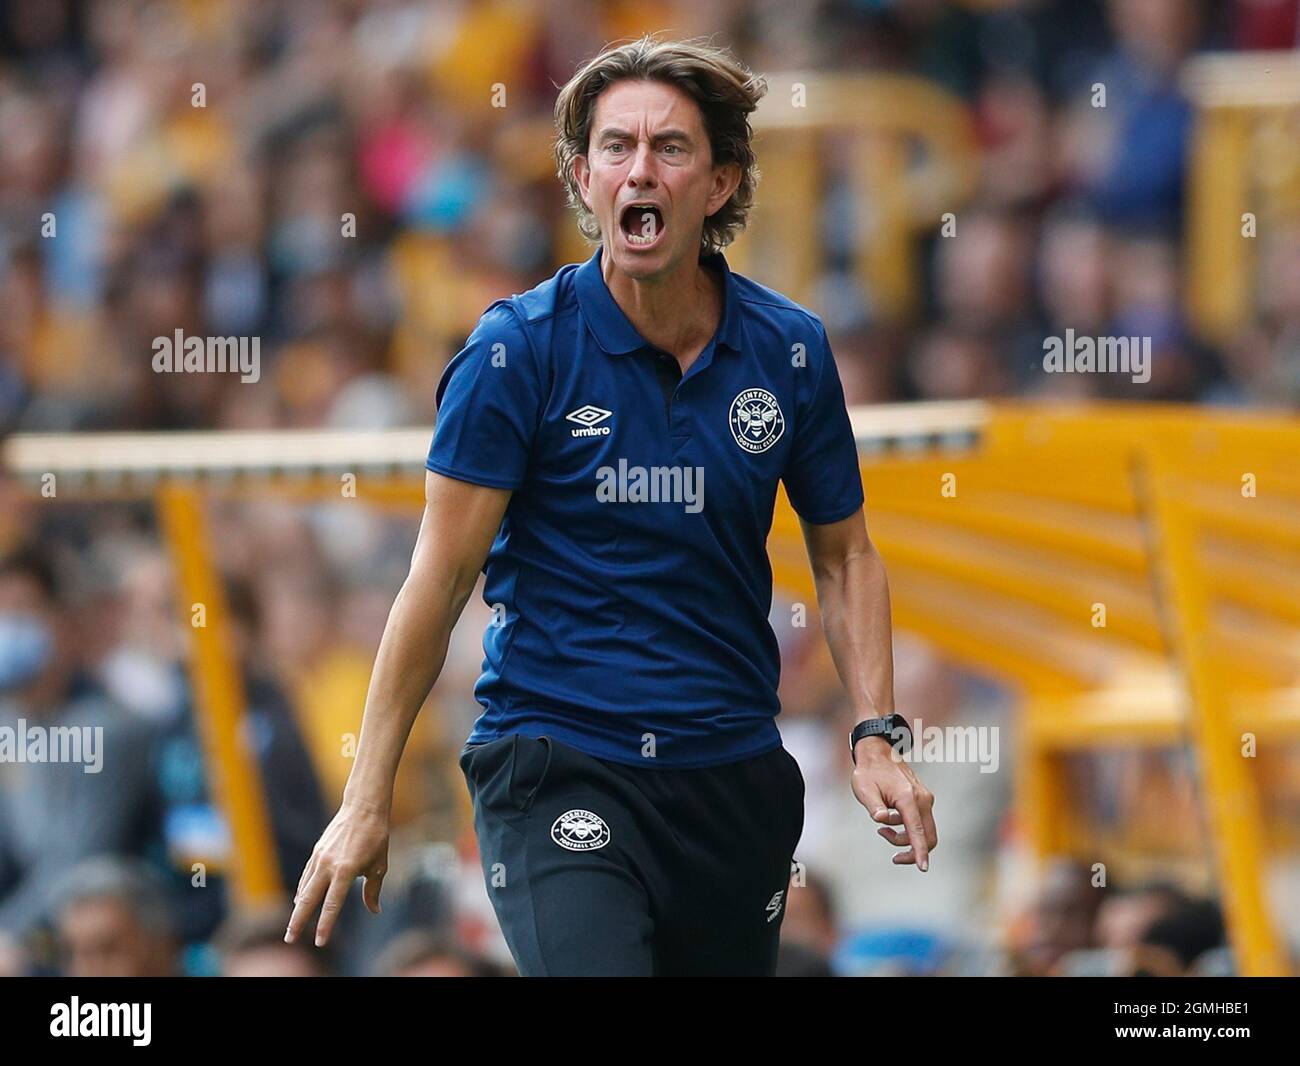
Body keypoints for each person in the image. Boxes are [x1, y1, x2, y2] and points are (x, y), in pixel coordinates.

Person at [286, 35, 937, 977]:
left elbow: (846, 556)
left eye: (671, 148)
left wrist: (876, 732)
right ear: (584, 180)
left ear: (719, 184)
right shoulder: (515, 353)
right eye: (616, 148)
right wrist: (367, 793)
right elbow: (439, 576)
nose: (642, 169)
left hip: (730, 775)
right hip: (558, 760)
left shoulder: (790, 350)